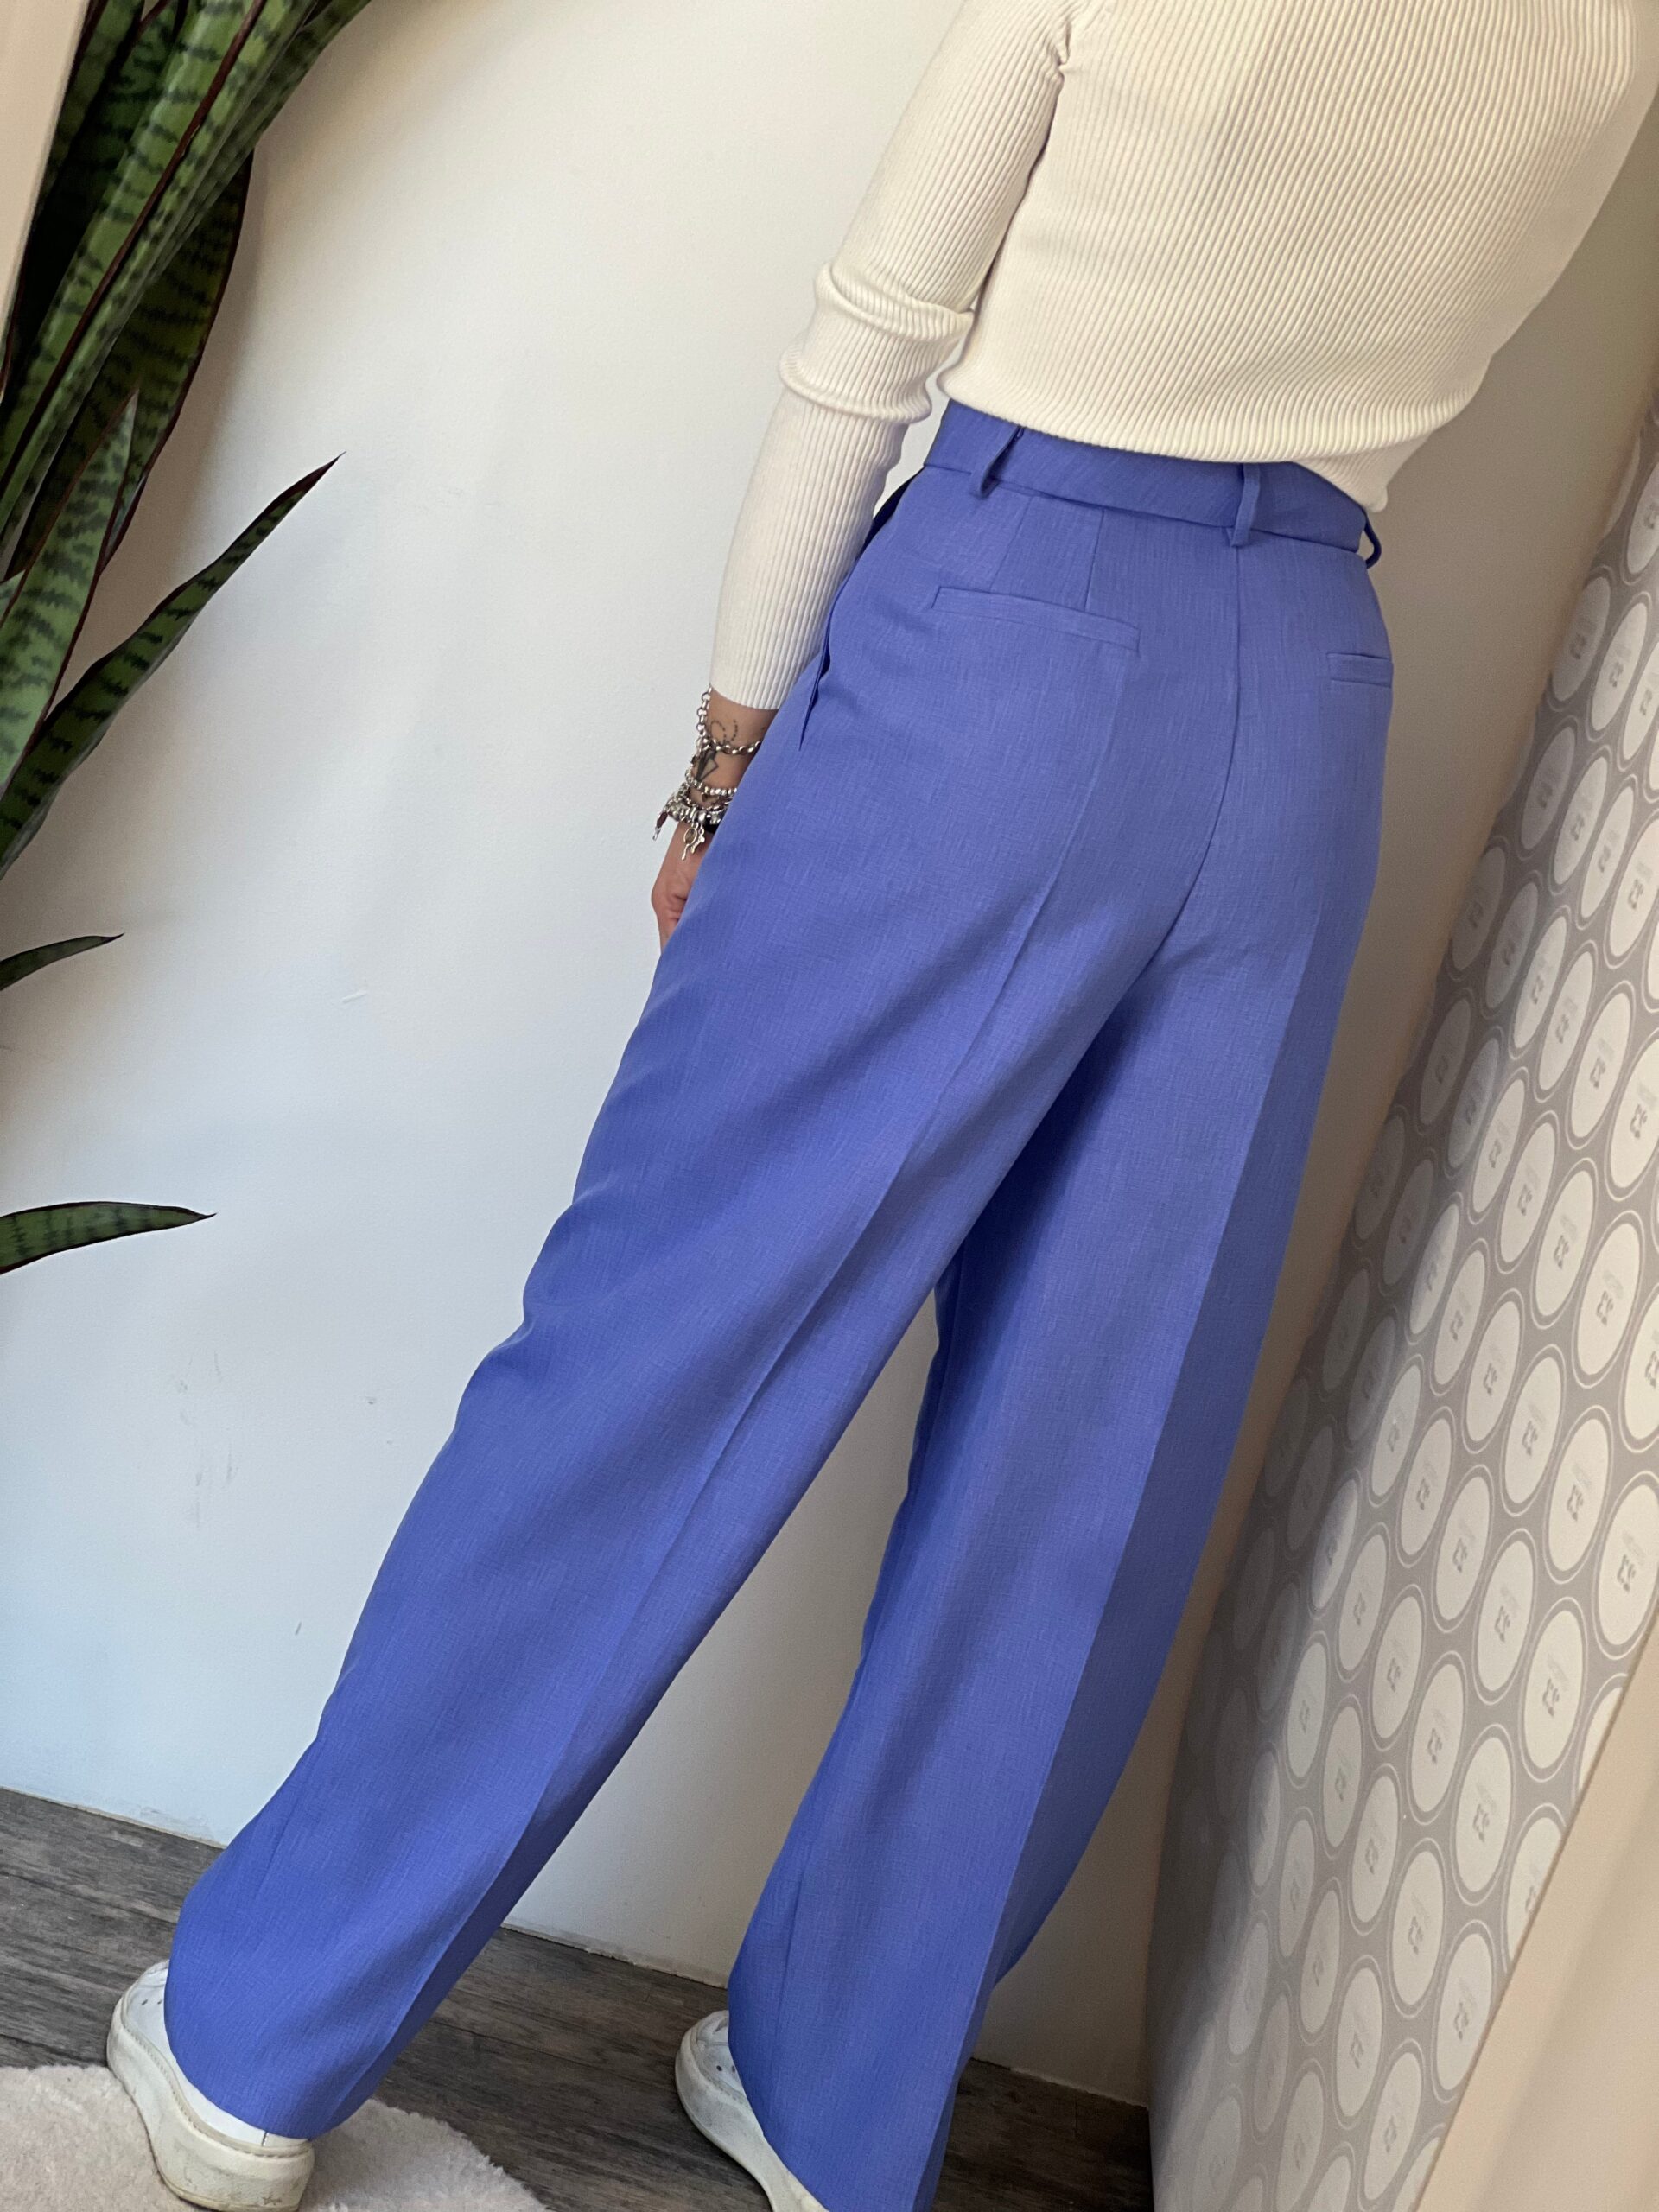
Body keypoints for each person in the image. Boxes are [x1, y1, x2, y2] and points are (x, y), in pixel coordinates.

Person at [107, 4, 1659, 2209]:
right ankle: (840, 2101)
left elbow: (873, 338)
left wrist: (723, 763)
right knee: (1086, 1466)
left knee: (654, 1355)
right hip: (1310, 697)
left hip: (1008, 639)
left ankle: (255, 2048)